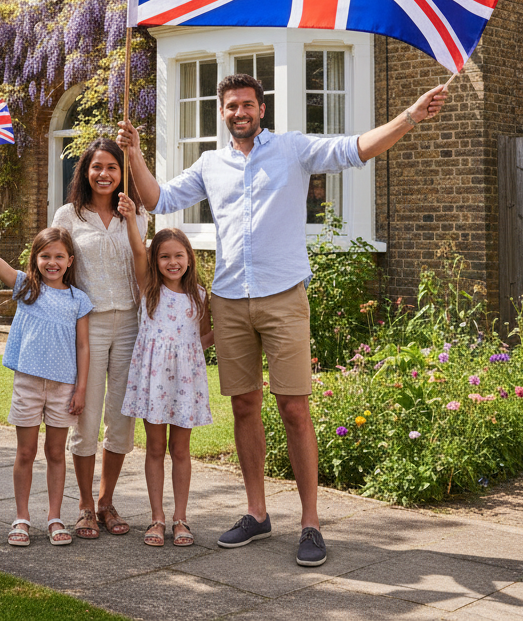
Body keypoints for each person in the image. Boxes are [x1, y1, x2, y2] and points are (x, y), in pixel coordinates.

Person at [118, 73, 447, 567]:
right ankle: (257, 513)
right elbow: (157, 201)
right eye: (231, 106)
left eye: (247, 104)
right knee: (245, 406)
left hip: (283, 296)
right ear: (222, 112)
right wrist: (137, 156)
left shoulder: (292, 149)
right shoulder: (212, 163)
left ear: (261, 110)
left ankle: (310, 522)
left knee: (295, 408)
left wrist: (409, 117)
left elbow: (354, 149)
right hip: (229, 300)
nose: (239, 112)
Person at [0, 203, 91, 548]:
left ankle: (55, 517)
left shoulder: (78, 300)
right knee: (25, 452)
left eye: (59, 256)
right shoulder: (26, 287)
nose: (52, 263)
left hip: (63, 387)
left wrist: (81, 390)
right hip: (28, 383)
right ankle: (22, 517)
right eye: (45, 256)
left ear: (70, 261)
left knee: (56, 453)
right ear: (35, 259)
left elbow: (84, 347)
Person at [52, 138, 146, 539]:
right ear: (85, 172)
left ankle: (107, 501)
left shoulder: (137, 214)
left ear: (122, 172)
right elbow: (53, 267)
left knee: (121, 417)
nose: (104, 174)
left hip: (129, 322)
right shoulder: (68, 216)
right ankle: (85, 504)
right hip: (86, 326)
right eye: (96, 167)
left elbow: (145, 268)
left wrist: (130, 222)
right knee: (86, 415)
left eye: (111, 167)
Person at [118, 194, 214, 547]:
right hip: (154, 381)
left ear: (189, 258)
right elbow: (137, 251)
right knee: (155, 448)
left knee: (182, 451)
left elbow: (202, 339)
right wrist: (130, 219)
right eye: (165, 257)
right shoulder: (150, 291)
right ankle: (157, 518)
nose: (172, 262)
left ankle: (180, 518)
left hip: (185, 383)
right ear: (155, 261)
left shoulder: (200, 296)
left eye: (178, 256)